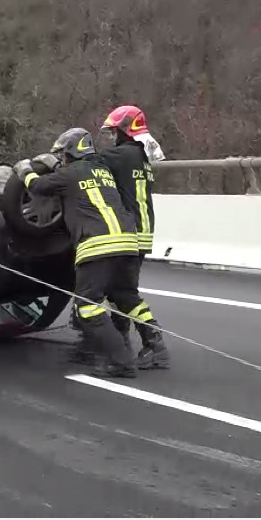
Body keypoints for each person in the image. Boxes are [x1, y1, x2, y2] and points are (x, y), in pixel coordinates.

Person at [14, 128, 158, 377]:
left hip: (98, 245)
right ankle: (156, 346)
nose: (61, 159)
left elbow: (38, 187)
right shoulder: (104, 171)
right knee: (125, 297)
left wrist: (24, 169)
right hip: (128, 243)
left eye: (62, 154)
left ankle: (122, 361)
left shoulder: (68, 175)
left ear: (70, 151)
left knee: (88, 306)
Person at [96, 104, 172, 368]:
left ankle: (155, 344)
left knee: (122, 292)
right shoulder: (141, 156)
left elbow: (86, 165)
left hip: (129, 232)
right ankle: (122, 341)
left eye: (114, 131)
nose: (112, 137)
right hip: (143, 231)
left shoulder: (121, 156)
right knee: (118, 290)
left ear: (126, 129)